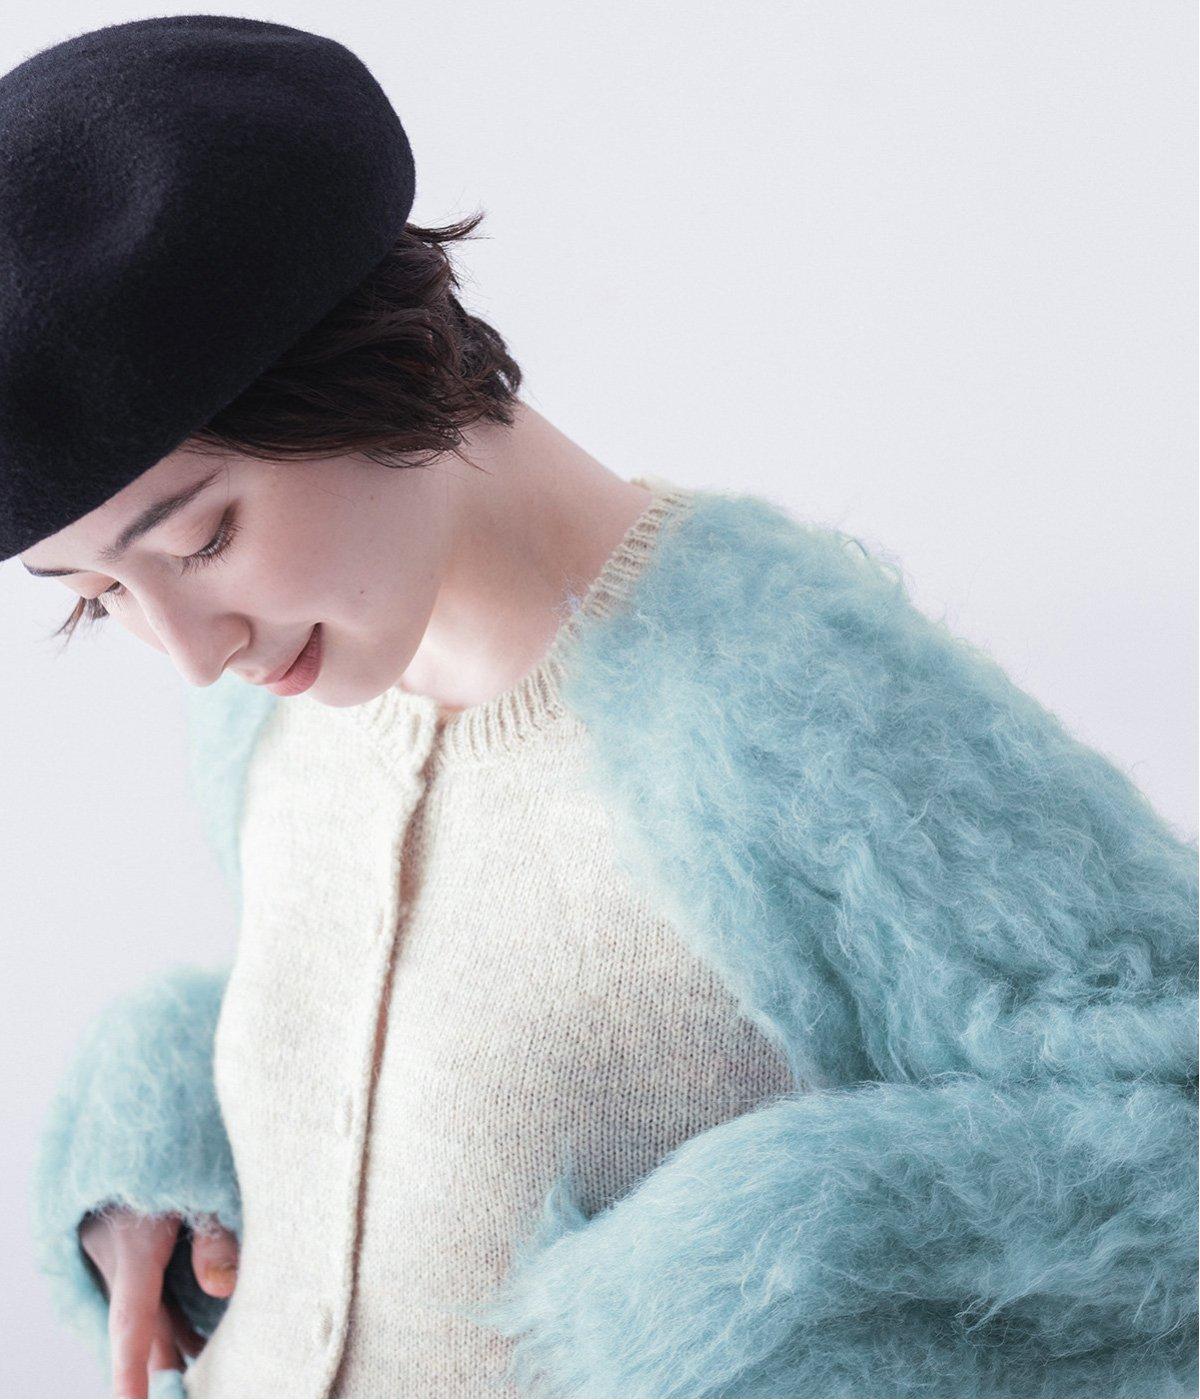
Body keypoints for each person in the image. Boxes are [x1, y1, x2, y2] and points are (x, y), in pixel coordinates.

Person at [8, 15, 1196, 1400]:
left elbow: (1167, 1119)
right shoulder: (274, 706)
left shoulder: (787, 704)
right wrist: (173, 1128)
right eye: (98, 595)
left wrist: (775, 1278)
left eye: (203, 538)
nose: (189, 651)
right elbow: (468, 1021)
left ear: (374, 363)